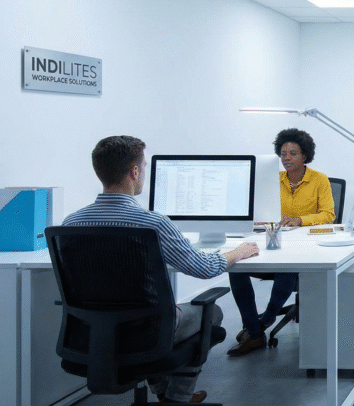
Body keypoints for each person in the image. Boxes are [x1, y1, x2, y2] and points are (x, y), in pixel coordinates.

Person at [63, 136, 260, 404]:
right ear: (135, 172)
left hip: (90, 333)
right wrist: (237, 252)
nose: (143, 171)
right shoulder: (152, 222)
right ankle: (177, 398)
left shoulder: (71, 223)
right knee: (211, 312)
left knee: (161, 312)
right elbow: (204, 268)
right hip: (146, 333)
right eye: (143, 166)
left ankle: (165, 393)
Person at [227, 128, 335, 356]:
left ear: (304, 156)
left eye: (293, 153)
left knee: (287, 267)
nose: (287, 158)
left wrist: (300, 220)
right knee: (235, 269)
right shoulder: (272, 180)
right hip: (271, 241)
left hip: (303, 247)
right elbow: (261, 209)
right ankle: (254, 330)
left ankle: (264, 321)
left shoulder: (319, 180)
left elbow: (328, 215)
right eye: (283, 153)